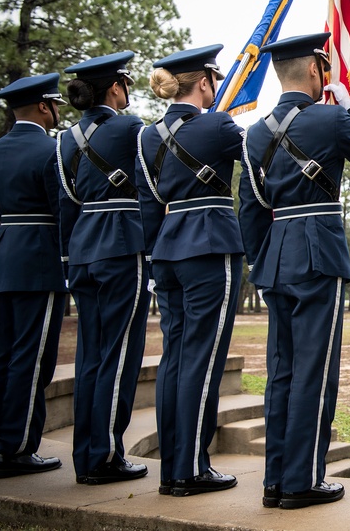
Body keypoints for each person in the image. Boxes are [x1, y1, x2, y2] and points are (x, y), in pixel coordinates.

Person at [239, 32, 350, 510]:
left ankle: (275, 480)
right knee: (314, 372)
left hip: (276, 256)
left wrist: (261, 261)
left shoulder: (256, 133)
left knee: (281, 371)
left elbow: (252, 208)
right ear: (316, 71)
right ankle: (302, 481)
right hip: (317, 250)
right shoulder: (329, 118)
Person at [135, 45, 244, 496]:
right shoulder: (217, 125)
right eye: (214, 81)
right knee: (204, 358)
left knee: (175, 360)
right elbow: (261, 159)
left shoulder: (146, 137)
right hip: (210, 246)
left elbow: (147, 204)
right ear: (204, 82)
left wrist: (151, 257)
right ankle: (191, 469)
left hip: (167, 251)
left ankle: (172, 469)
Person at [56, 52, 150, 485]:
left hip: (82, 249)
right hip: (120, 243)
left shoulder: (65, 138)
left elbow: (66, 203)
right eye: (125, 85)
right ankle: (106, 456)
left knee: (91, 357)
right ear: (115, 88)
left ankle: (85, 456)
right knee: (119, 355)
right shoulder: (131, 128)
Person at [0, 74, 68, 478]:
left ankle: (1, 441)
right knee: (32, 357)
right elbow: (62, 210)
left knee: (2, 355)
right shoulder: (51, 151)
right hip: (39, 260)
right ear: (44, 106)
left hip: (4, 255)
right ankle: (18, 446)